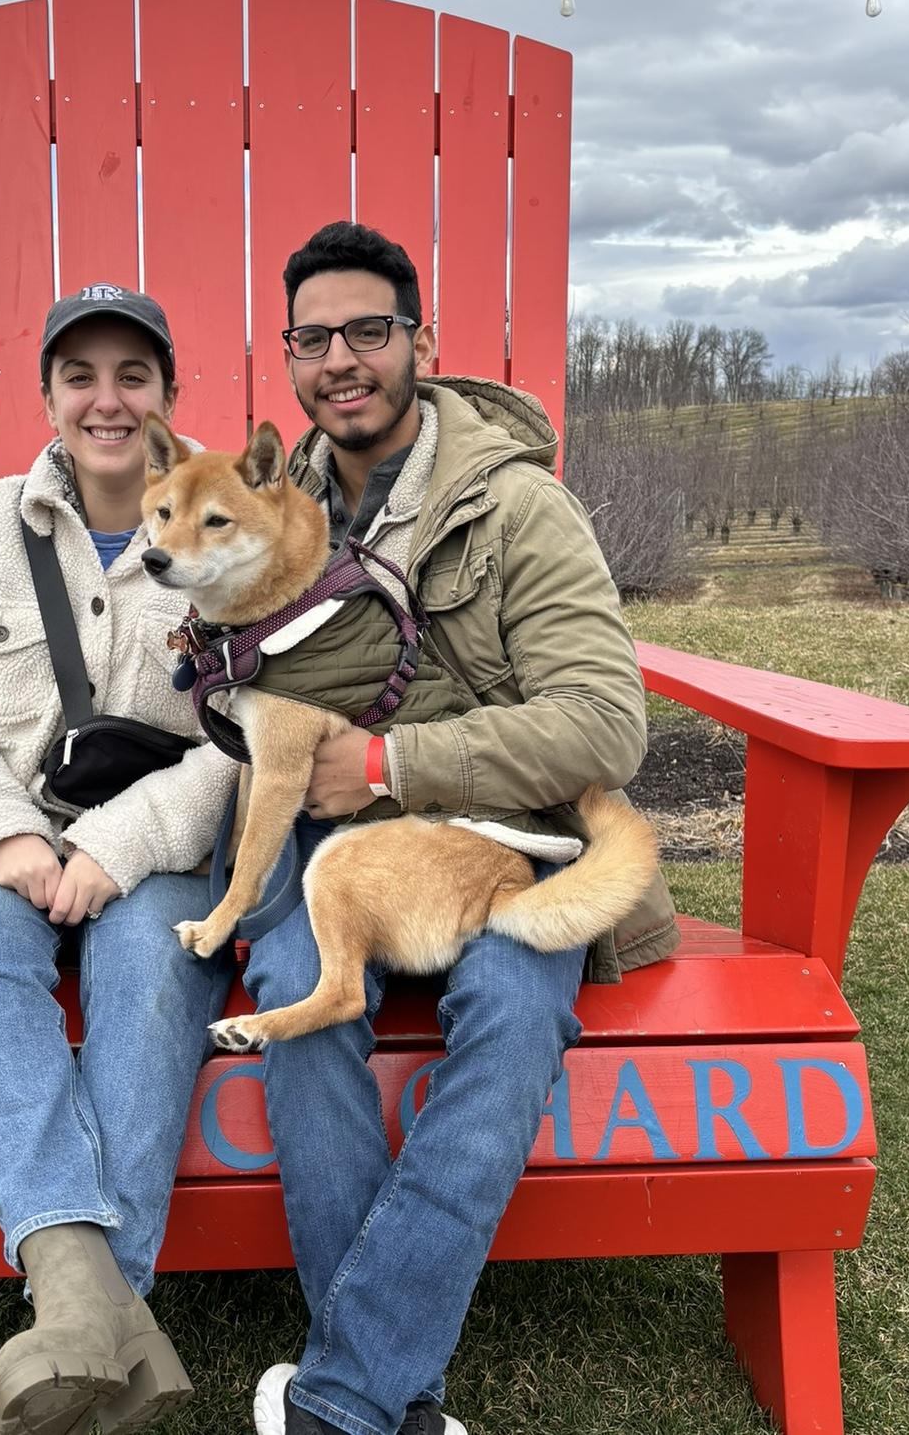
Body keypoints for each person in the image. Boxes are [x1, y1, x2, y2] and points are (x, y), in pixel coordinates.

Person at [242, 222, 681, 1435]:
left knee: (516, 1007)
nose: (342, 359)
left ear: (420, 343)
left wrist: (392, 761)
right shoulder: (282, 510)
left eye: (368, 331)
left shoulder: (518, 509)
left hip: (512, 845)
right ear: (289, 358)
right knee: (291, 982)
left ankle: (343, 1396)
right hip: (343, 857)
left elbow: (604, 725)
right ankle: (388, 1395)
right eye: (313, 337)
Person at [0, 284, 240, 1435]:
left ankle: (81, 1341)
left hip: (154, 846)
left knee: (151, 973)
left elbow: (249, 734)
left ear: (168, 397)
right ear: (49, 398)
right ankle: (97, 1303)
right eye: (81, 376)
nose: (108, 399)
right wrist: (11, 836)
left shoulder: (224, 537)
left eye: (134, 375)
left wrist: (117, 846)